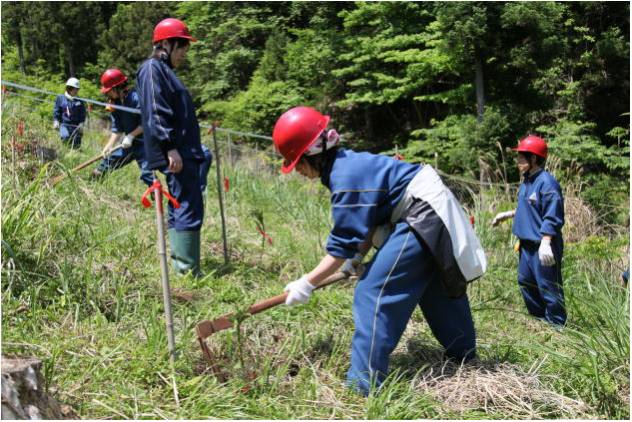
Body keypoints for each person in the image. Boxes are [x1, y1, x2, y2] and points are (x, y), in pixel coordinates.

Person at [273, 106, 487, 396]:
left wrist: (307, 283)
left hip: (420, 215)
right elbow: (370, 221)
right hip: (431, 211)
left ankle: (363, 386)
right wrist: (357, 259)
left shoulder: (345, 177)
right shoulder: (349, 164)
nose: (297, 170)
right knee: (433, 285)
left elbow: (342, 243)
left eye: (297, 162)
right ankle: (464, 357)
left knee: (373, 293)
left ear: (314, 153)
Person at [136, 18, 212, 277]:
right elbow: (156, 110)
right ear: (166, 44)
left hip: (186, 151)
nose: (184, 54)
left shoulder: (166, 72)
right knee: (188, 205)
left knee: (183, 203)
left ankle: (184, 265)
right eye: (181, 47)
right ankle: (187, 271)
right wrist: (169, 147)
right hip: (177, 153)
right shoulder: (152, 69)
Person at [492, 135, 566, 327]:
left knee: (548, 287)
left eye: (521, 158)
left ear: (534, 159)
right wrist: (508, 214)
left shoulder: (547, 183)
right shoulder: (527, 180)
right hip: (525, 246)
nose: (518, 162)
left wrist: (546, 242)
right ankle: (540, 322)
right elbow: (531, 208)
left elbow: (552, 215)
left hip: (543, 244)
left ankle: (557, 327)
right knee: (526, 282)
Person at [92, 68, 153, 186]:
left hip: (144, 143)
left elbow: (147, 122)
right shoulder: (115, 103)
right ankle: (92, 186)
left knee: (147, 174)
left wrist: (131, 136)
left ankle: (157, 196)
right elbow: (117, 127)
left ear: (117, 87)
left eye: (109, 90)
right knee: (106, 163)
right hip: (128, 144)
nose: (107, 93)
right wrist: (109, 145)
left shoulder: (136, 98)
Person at [53, 78, 86, 149]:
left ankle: (73, 157)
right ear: (69, 88)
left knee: (76, 145)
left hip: (76, 126)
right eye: (75, 89)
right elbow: (57, 110)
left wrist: (81, 123)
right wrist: (56, 120)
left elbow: (83, 113)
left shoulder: (79, 101)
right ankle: (65, 151)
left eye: (78, 89)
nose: (77, 91)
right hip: (64, 124)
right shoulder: (61, 98)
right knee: (65, 137)